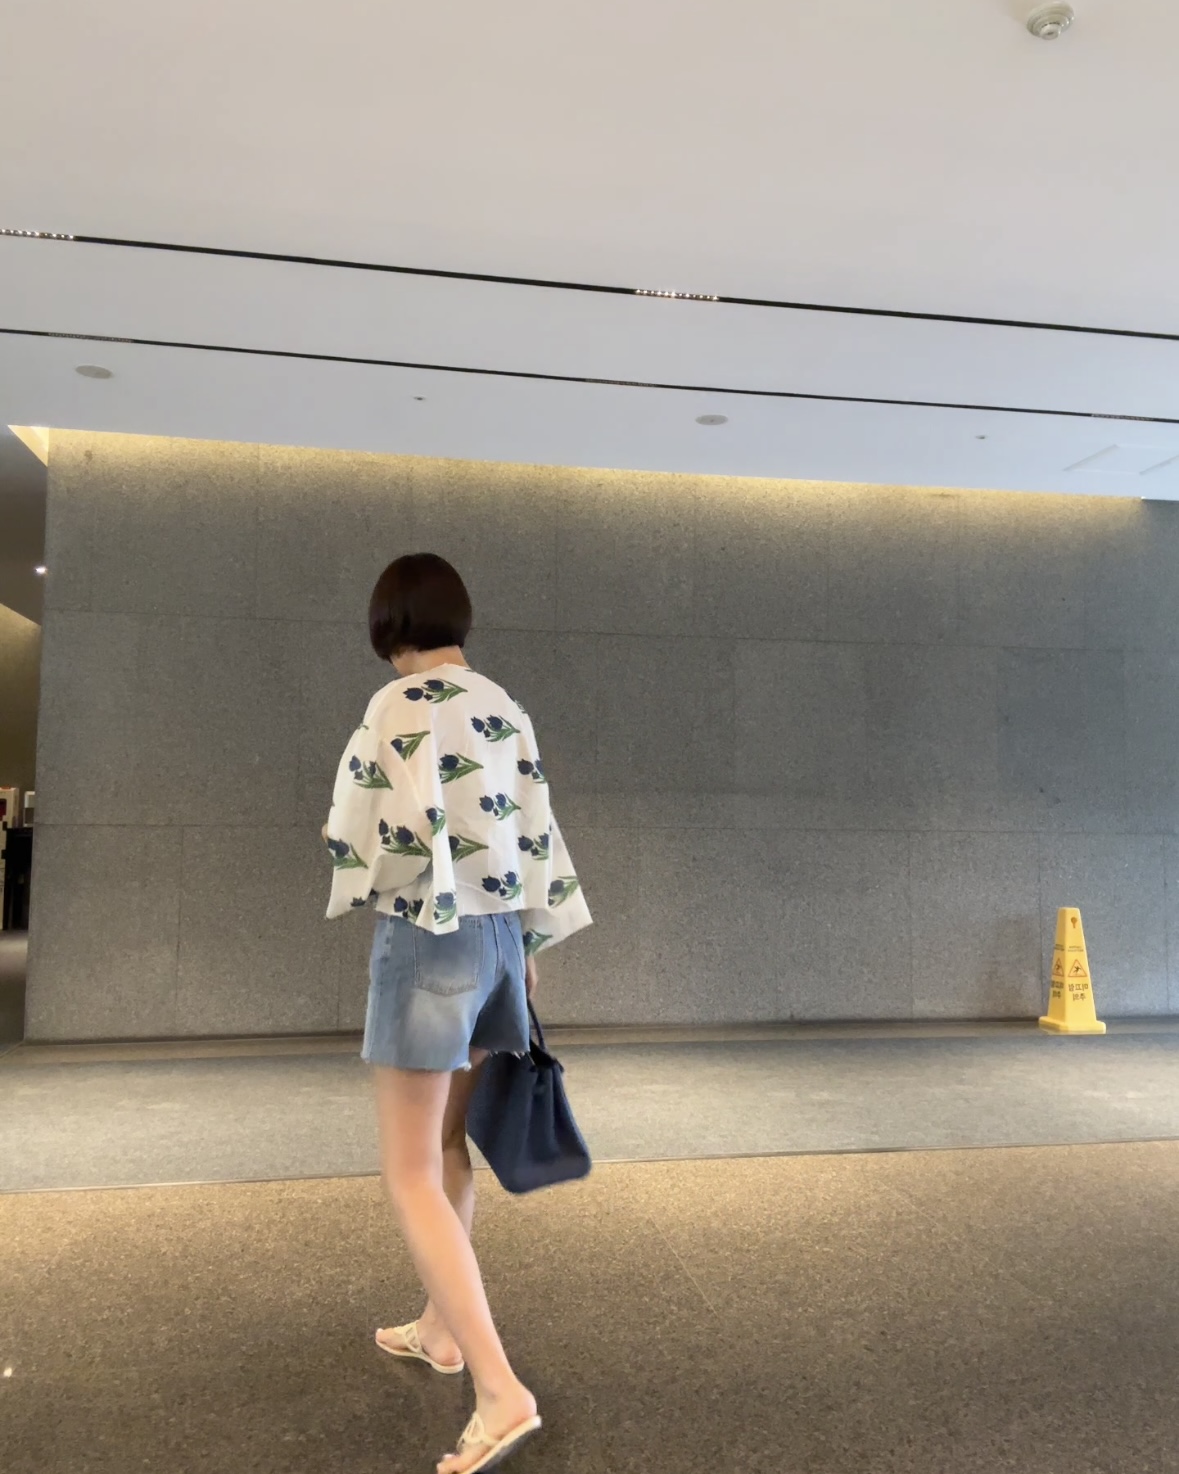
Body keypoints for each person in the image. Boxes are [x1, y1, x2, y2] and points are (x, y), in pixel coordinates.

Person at [322, 552, 591, 1474]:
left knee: (407, 1171)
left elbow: (355, 829)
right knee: (445, 1147)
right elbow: (536, 831)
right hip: (501, 945)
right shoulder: (504, 706)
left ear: (388, 625)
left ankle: (499, 1390)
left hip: (427, 942)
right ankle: (440, 1329)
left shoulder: (395, 706)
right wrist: (525, 948)